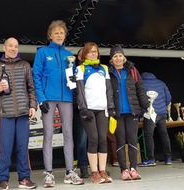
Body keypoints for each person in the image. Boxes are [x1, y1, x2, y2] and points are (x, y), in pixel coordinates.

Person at [32, 20, 84, 188]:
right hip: (48, 98)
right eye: (56, 33)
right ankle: (48, 173)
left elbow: (71, 79)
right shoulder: (43, 52)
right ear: (50, 35)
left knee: (68, 134)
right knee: (48, 135)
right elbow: (36, 76)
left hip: (66, 98)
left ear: (65, 35)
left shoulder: (70, 55)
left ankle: (70, 171)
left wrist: (74, 82)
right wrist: (41, 98)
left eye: (62, 33)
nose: (59, 35)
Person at [0, 37, 38, 190]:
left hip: (23, 113)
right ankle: (3, 181)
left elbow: (31, 88)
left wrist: (33, 105)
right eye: (10, 46)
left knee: (23, 147)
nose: (13, 49)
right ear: (4, 48)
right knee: (4, 149)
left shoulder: (25, 65)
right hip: (4, 114)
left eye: (16, 46)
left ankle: (25, 179)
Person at [74, 42, 115, 183]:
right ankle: (94, 172)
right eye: (90, 52)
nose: (93, 54)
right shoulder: (80, 69)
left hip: (102, 109)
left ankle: (102, 170)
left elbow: (109, 90)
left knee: (103, 140)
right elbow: (79, 91)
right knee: (93, 139)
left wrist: (110, 107)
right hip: (88, 109)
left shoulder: (104, 68)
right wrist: (83, 108)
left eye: (95, 51)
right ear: (85, 54)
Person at [108, 45, 149, 181]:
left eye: (120, 55)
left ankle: (134, 169)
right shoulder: (108, 72)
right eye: (115, 56)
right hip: (117, 113)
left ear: (124, 57)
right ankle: (124, 170)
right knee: (120, 141)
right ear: (111, 59)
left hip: (132, 112)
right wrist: (109, 109)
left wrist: (147, 105)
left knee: (132, 140)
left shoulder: (132, 70)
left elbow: (140, 90)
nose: (118, 58)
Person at [138, 72, 172, 166]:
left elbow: (139, 99)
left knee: (149, 135)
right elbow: (168, 98)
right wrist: (162, 106)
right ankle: (168, 158)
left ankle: (150, 159)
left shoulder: (141, 83)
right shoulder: (161, 83)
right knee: (164, 135)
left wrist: (142, 111)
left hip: (149, 113)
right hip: (162, 113)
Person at [72, 48, 89, 178]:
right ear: (78, 56)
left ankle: (99, 168)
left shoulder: (97, 69)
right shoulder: (73, 70)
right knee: (82, 139)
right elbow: (71, 88)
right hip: (80, 109)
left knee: (97, 139)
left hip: (96, 108)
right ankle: (83, 167)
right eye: (83, 53)